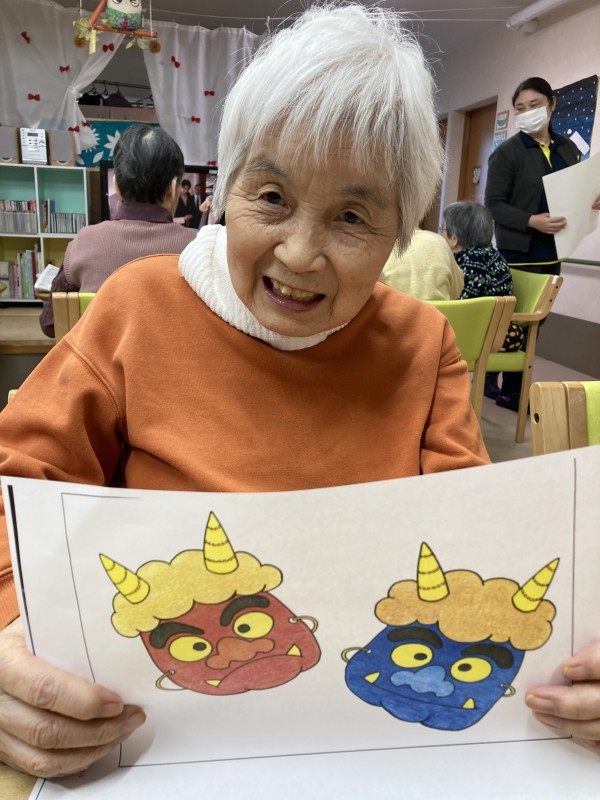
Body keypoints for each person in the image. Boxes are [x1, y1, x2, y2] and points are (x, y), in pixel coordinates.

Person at [0, 5, 595, 781]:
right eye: (272, 197)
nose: (302, 253)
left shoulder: (422, 346)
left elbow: (472, 548)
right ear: (223, 190)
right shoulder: (137, 308)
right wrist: (11, 629)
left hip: (364, 731)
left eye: (352, 216)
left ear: (401, 234)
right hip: (155, 735)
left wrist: (570, 663)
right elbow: (16, 483)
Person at [484, 76, 600, 409]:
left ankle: (510, 388)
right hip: (518, 253)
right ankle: (501, 382)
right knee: (512, 322)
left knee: (536, 322)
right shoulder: (507, 154)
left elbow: (575, 190)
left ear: (551, 104)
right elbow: (494, 204)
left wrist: (590, 201)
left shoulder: (568, 149)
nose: (527, 112)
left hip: (554, 251)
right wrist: (531, 220)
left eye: (534, 105)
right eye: (520, 108)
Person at [39, 125, 198, 338]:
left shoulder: (83, 242)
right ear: (172, 188)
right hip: (174, 359)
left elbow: (50, 324)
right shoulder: (200, 247)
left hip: (100, 360)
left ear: (117, 185)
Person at [441, 201, 525, 399]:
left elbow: (463, 306)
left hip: (483, 334)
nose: (441, 235)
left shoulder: (469, 263)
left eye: (442, 230)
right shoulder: (493, 256)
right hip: (499, 331)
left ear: (453, 238)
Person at [380, 227, 464, 300]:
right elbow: (457, 289)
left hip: (391, 312)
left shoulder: (379, 244)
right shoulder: (440, 242)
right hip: (438, 313)